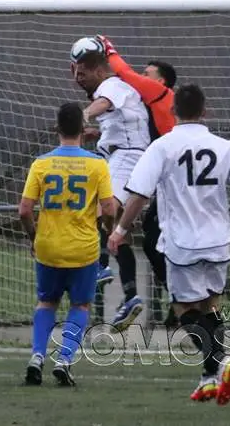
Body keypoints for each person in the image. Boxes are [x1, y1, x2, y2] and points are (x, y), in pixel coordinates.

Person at [108, 84, 230, 405]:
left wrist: (120, 229)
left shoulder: (162, 146)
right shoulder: (224, 146)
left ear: (173, 111)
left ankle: (221, 360)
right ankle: (208, 378)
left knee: (184, 309)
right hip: (219, 241)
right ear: (205, 111)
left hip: (182, 242)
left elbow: (139, 195)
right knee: (211, 306)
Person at [19, 102, 116, 386]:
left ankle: (37, 356)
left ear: (57, 129)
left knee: (46, 301)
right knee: (81, 305)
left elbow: (25, 210)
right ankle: (63, 359)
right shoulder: (97, 164)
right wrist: (110, 231)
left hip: (48, 247)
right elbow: (109, 208)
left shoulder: (41, 163)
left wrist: (33, 237)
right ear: (85, 131)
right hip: (83, 249)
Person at [95, 34, 177, 325]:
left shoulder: (159, 94)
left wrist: (108, 48)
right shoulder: (148, 107)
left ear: (161, 82)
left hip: (175, 180)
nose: (142, 77)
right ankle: (172, 298)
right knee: (150, 237)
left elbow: (125, 73)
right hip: (162, 178)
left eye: (148, 74)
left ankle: (182, 299)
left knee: (156, 236)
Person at [72, 49, 150, 330]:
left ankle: (99, 267)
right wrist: (97, 133)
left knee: (100, 210)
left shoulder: (111, 85)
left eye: (82, 74)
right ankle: (130, 296)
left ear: (98, 69)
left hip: (127, 156)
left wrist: (85, 114)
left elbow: (104, 102)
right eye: (76, 75)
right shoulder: (111, 93)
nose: (79, 80)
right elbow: (119, 120)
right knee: (119, 230)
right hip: (125, 155)